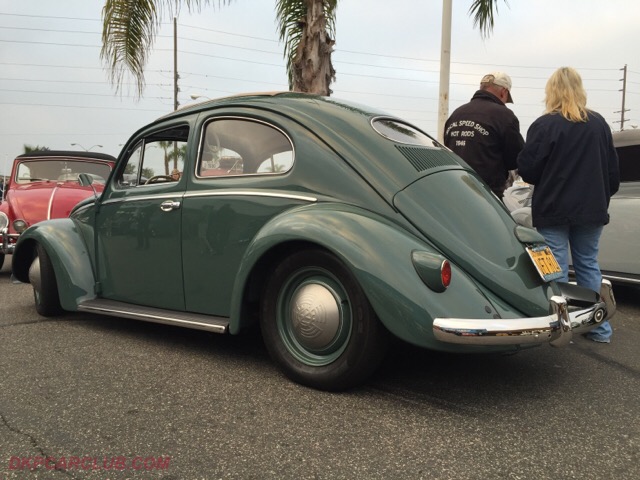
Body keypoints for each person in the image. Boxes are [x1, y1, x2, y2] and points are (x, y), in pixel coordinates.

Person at [517, 67, 620, 343]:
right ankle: (598, 328)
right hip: (592, 209)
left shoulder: (544, 125)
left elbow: (528, 170)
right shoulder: (599, 125)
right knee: (588, 265)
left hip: (554, 208)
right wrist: (601, 197)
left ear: (552, 91)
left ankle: (563, 329)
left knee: (557, 268)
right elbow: (612, 173)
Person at [444, 71, 524, 197]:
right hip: (486, 194)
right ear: (504, 92)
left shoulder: (456, 114)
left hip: (455, 189)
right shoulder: (504, 116)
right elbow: (515, 159)